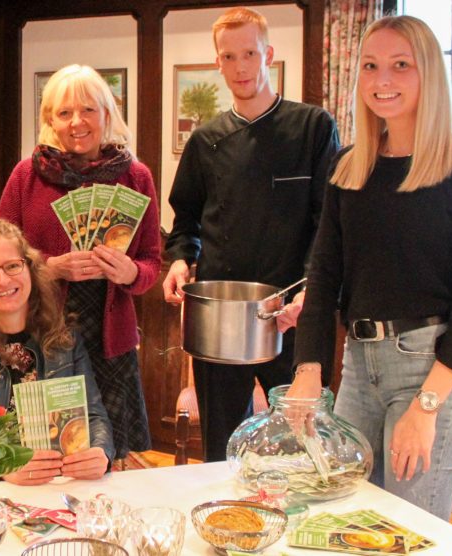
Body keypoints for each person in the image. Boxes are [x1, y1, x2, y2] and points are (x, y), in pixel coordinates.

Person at [288, 16, 452, 521]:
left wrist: (427, 407)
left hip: (431, 370)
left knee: (408, 534)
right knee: (344, 523)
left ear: (428, 74)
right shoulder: (348, 167)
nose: (382, 81)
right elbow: (323, 277)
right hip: (359, 369)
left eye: (400, 66)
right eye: (370, 66)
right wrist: (308, 372)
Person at [161, 7, 340, 462]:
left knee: (305, 443)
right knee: (222, 446)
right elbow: (186, 222)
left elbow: (329, 224)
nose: (240, 67)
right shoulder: (206, 141)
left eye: (249, 54)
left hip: (292, 312)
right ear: (217, 63)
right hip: (221, 316)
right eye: (229, 57)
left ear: (268, 55)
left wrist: (310, 297)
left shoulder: (313, 128)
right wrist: (180, 260)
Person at [0, 65, 161, 461]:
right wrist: (49, 268)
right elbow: (0, 254)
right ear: (49, 120)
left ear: (107, 113)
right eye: (64, 112)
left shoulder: (135, 177)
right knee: (47, 451)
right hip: (42, 335)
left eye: (88, 110)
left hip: (109, 341)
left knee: (107, 456)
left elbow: (152, 262)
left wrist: (131, 273)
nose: (77, 122)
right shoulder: (26, 176)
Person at [0, 219, 114, 484]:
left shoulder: (66, 338)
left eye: (13, 266)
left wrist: (101, 453)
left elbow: (94, 415)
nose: (3, 280)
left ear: (31, 269)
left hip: (58, 485)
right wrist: (3, 468)